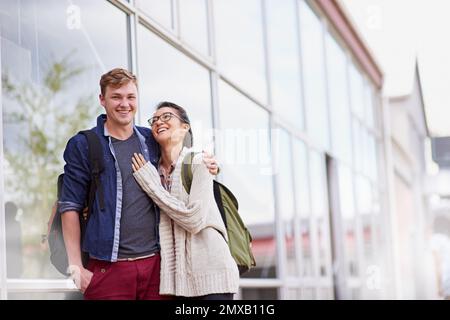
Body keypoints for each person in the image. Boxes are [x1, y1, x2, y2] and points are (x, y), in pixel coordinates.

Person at [59, 68, 219, 300]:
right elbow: (69, 206)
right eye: (116, 97)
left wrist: (209, 162)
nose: (124, 104)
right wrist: (76, 266)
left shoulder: (150, 140)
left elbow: (179, 155)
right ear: (102, 100)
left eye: (130, 97)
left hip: (157, 268)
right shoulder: (85, 144)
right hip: (108, 269)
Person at [131, 101, 239, 300]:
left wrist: (152, 185)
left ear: (184, 127)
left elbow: (194, 219)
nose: (158, 122)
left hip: (212, 277)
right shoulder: (152, 171)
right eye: (154, 119)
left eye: (166, 117)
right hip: (178, 285)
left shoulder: (199, 162)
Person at [430, 215, 450, 300]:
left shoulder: (435, 239)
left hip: (447, 276)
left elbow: (437, 263)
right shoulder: (446, 239)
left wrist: (438, 286)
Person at [5, 201, 23, 278]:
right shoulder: (3, 225)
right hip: (8, 259)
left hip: (14, 260)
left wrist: (20, 262)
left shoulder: (16, 225)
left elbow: (19, 244)